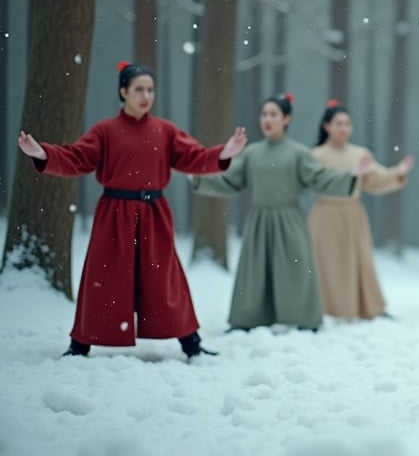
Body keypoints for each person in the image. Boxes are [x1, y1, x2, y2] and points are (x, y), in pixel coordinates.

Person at [16, 61, 247, 359]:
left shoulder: (165, 131)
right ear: (123, 91)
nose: (146, 96)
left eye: (150, 89)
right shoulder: (106, 131)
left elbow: (193, 157)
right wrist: (44, 154)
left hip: (154, 214)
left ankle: (191, 344)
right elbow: (77, 157)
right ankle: (80, 345)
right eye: (139, 89)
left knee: (165, 278)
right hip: (115, 214)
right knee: (104, 277)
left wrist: (223, 153)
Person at [191, 94, 372, 331]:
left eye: (274, 114)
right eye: (264, 114)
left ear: (286, 118)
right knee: (256, 272)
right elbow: (230, 180)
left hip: (289, 222)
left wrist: (350, 175)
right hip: (259, 221)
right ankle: (249, 319)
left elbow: (320, 178)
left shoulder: (298, 153)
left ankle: (301, 318)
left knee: (294, 270)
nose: (268, 119)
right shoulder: (252, 153)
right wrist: (199, 177)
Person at [308, 100, 414, 320]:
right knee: (324, 262)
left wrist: (397, 173)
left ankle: (366, 307)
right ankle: (322, 307)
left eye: (347, 123)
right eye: (338, 123)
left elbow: (375, 181)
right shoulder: (316, 155)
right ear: (326, 126)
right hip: (324, 215)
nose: (343, 128)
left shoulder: (359, 154)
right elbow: (314, 182)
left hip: (352, 215)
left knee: (357, 260)